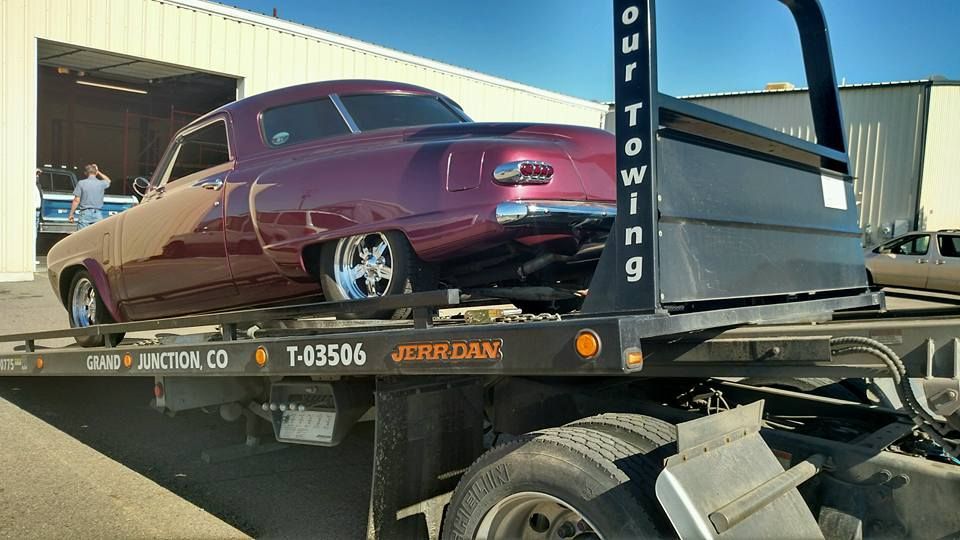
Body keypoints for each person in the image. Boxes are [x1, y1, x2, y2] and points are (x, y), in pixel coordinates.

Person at [68, 164, 111, 229]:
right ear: (96, 173)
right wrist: (98, 171)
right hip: (97, 213)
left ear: (85, 173)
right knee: (98, 236)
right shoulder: (101, 183)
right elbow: (108, 181)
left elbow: (76, 200)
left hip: (85, 213)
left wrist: (71, 214)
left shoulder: (81, 183)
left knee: (82, 236)